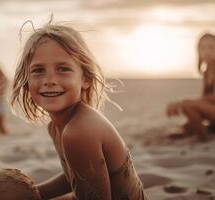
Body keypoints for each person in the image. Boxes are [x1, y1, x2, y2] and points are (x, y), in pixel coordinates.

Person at [11, 22, 147, 200]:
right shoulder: (56, 127)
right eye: (38, 70)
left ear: (86, 79)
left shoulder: (79, 132)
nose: (50, 80)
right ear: (26, 83)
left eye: (63, 69)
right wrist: (33, 194)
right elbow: (75, 177)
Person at [166, 33, 215, 140]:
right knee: (187, 123)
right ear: (198, 52)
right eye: (203, 48)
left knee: (187, 105)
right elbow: (204, 100)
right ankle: (201, 132)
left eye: (211, 47)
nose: (207, 51)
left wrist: (183, 102)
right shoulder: (207, 72)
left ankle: (203, 138)